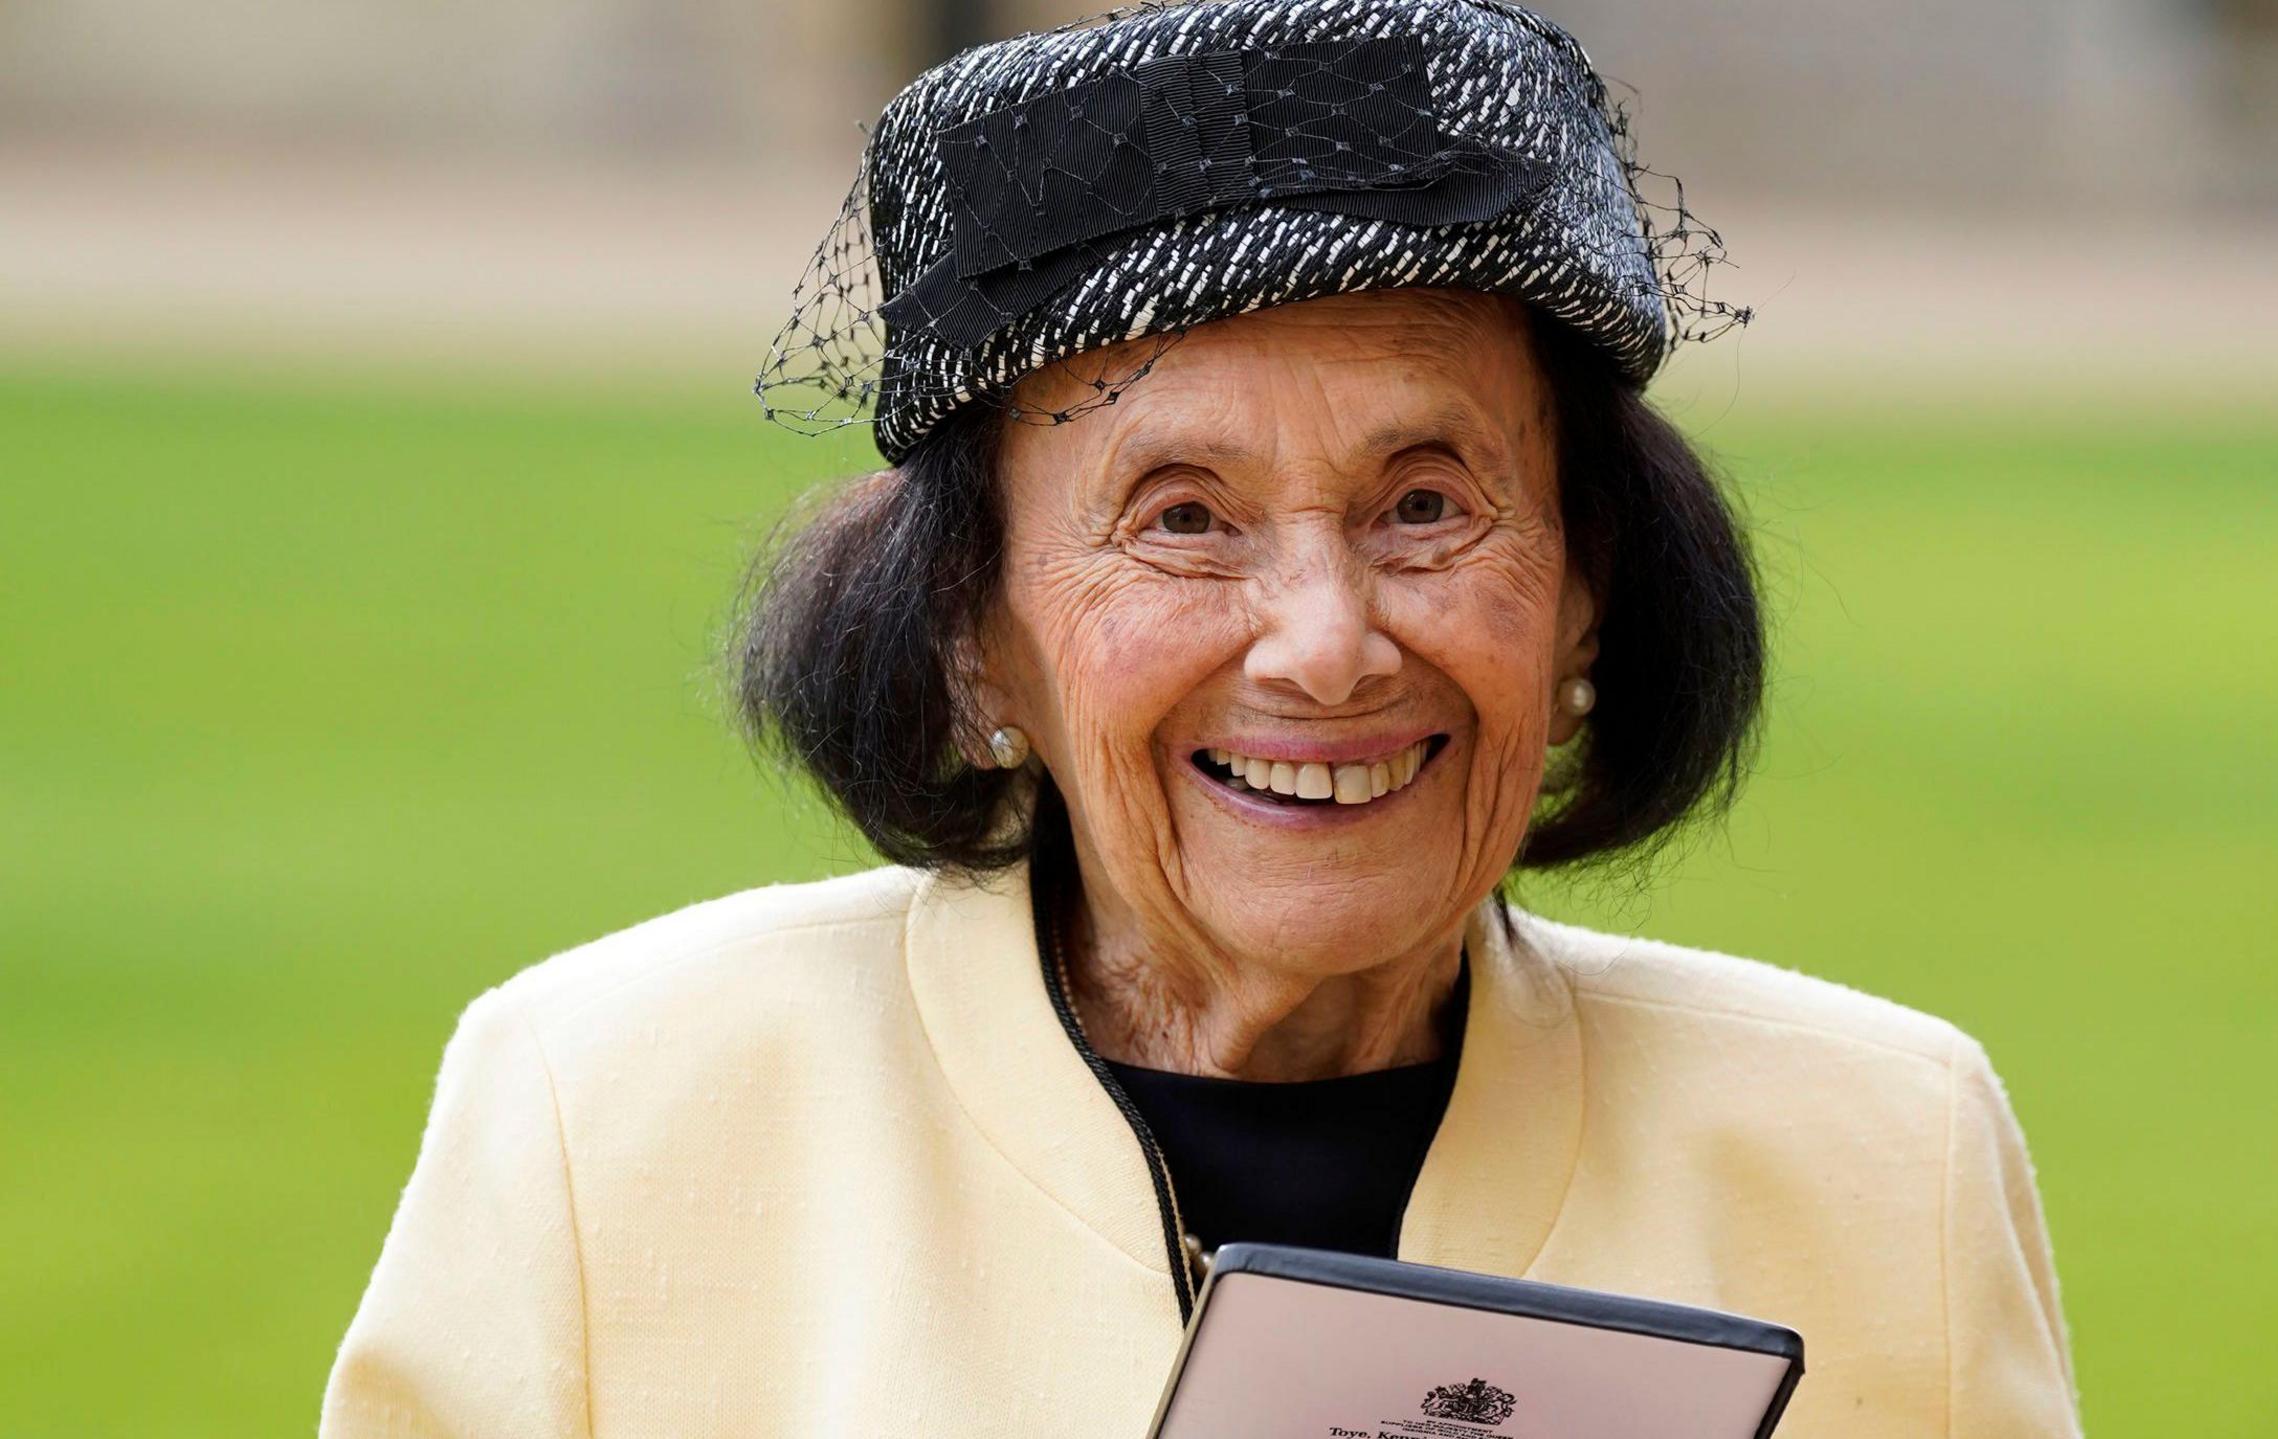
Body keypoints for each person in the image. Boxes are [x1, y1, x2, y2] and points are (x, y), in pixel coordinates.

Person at [322, 2, 2081, 1434]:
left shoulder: (1879, 1152)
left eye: (1425, 504)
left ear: (1584, 598)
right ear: (972, 631)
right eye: (1181, 519)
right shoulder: (608, 1116)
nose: (1325, 646)